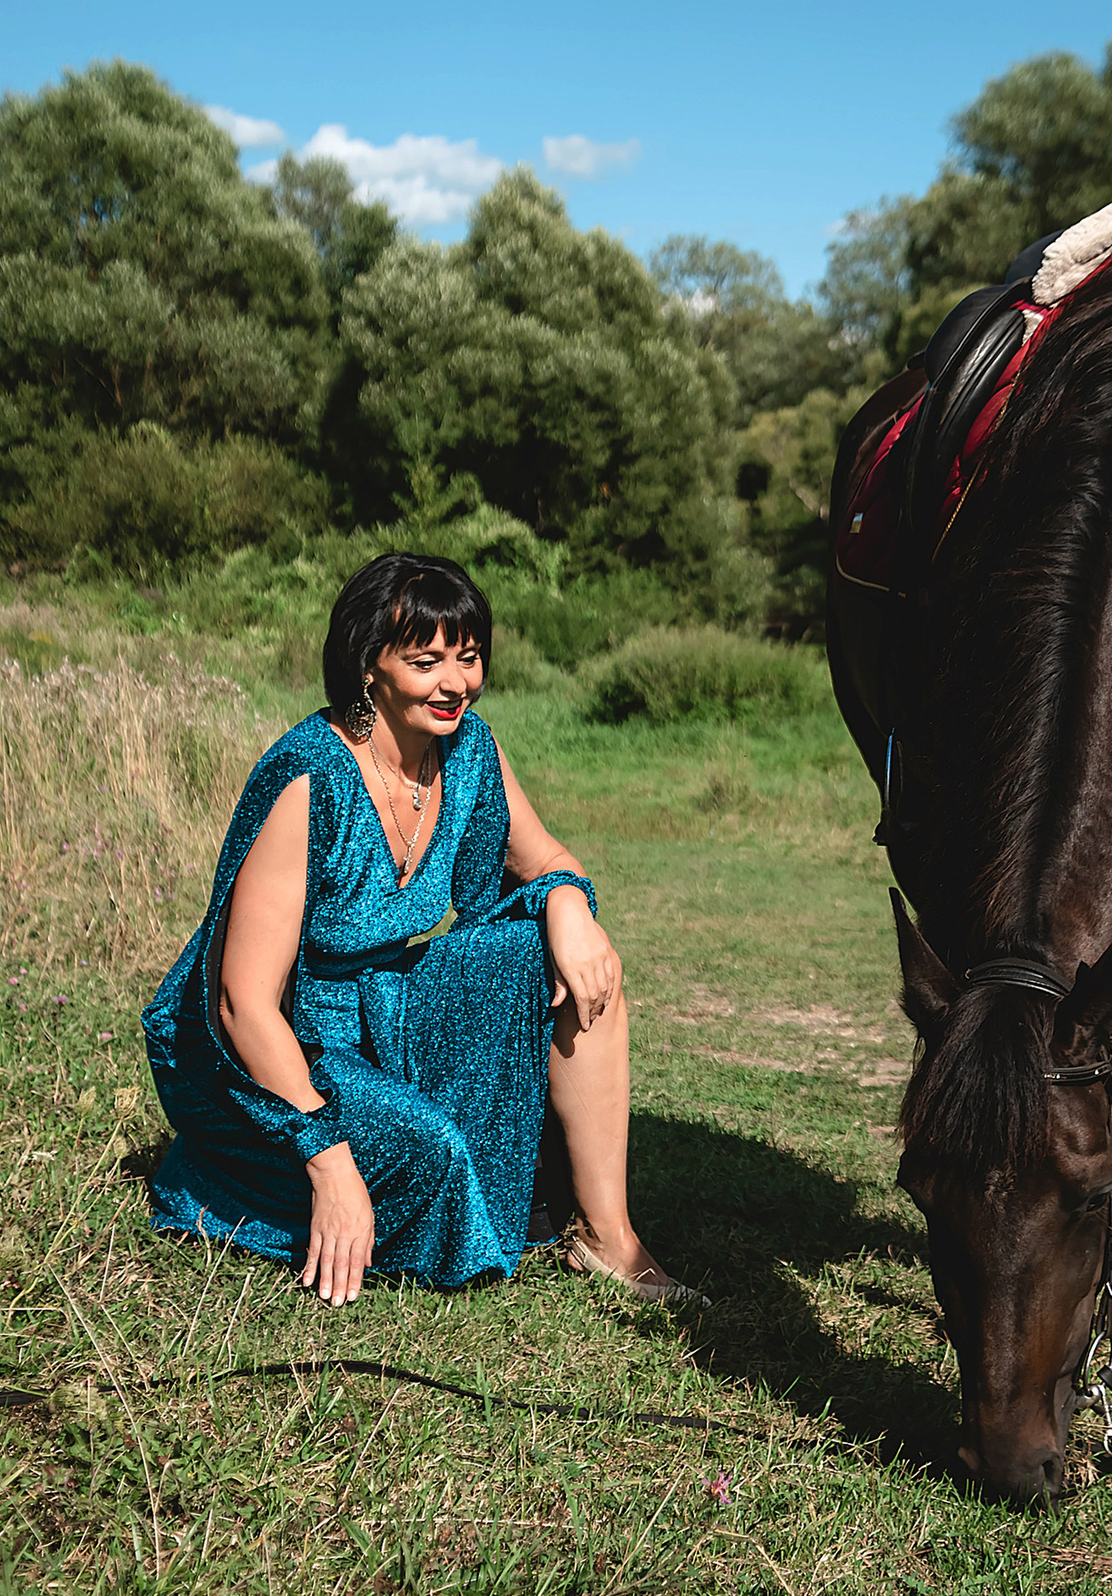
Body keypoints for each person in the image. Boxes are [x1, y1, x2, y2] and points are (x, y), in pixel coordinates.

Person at [141, 553, 698, 1307]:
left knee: (576, 953)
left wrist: (569, 904)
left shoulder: (468, 751)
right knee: (432, 1154)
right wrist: (328, 1159)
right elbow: (242, 1003)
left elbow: (546, 861)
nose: (455, 683)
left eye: (468, 659)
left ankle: (608, 1238)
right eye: (426, 660)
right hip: (283, 1043)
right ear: (369, 664)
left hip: (384, 1004)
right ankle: (225, 1173)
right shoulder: (311, 776)